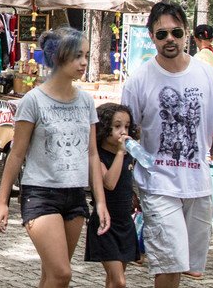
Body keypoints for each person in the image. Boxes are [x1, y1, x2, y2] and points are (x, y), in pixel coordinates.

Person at [121, 1, 213, 288]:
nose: (170, 40)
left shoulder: (205, 75)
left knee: (185, 264)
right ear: (151, 36)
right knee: (169, 260)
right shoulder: (139, 80)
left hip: (197, 183)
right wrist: (127, 182)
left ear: (186, 33)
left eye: (175, 32)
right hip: (157, 184)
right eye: (161, 34)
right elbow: (124, 134)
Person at [0, 26, 110, 288]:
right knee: (62, 274)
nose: (83, 63)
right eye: (78, 56)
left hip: (76, 196)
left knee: (51, 275)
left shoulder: (86, 102)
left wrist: (100, 202)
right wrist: (2, 202)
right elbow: (17, 153)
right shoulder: (33, 100)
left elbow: (92, 154)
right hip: (40, 195)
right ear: (59, 57)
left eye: (86, 55)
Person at [85, 103, 140, 288]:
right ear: (103, 127)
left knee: (113, 280)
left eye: (126, 126)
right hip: (105, 224)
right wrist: (120, 153)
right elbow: (109, 182)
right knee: (119, 281)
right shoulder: (97, 156)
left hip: (125, 222)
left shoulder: (126, 154)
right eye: (117, 126)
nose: (123, 132)